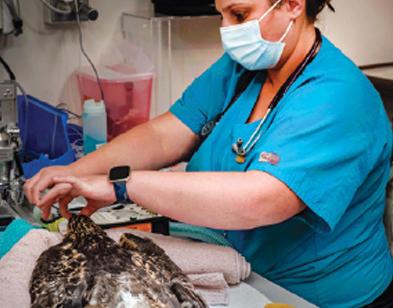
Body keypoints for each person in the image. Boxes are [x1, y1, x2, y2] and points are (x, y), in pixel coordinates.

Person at [24, 0, 393, 307]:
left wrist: (122, 186)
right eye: (221, 15)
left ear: (294, 4)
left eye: (240, 15)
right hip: (237, 272)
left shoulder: (338, 97)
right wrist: (75, 174)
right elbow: (164, 134)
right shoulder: (245, 69)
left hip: (312, 296)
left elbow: (261, 200)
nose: (227, 30)